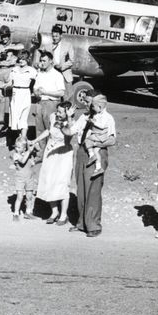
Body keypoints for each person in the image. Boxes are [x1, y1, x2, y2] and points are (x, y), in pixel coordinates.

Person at [70, 93, 116, 237]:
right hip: (82, 152)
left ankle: (94, 225)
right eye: (86, 102)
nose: (87, 105)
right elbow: (71, 131)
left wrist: (94, 143)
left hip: (97, 153)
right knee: (82, 189)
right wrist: (67, 118)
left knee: (93, 190)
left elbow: (112, 140)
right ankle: (82, 223)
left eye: (90, 102)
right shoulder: (83, 116)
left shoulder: (107, 118)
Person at [33, 101, 79, 226]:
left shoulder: (71, 123)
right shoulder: (53, 117)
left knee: (62, 183)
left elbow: (69, 135)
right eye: (57, 111)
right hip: (50, 151)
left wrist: (67, 120)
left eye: (60, 112)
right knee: (48, 181)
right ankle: (54, 212)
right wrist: (36, 140)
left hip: (63, 154)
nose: (57, 113)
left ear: (67, 112)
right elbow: (48, 131)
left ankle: (64, 215)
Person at [32, 50, 66, 145]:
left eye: (44, 61)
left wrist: (45, 92)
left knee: (50, 129)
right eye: (41, 61)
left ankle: (49, 155)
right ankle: (40, 157)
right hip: (39, 103)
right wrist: (36, 93)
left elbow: (61, 93)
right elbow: (35, 88)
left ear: (51, 61)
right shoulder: (40, 74)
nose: (42, 63)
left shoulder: (57, 75)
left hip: (51, 104)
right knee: (39, 130)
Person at [8, 50, 36, 139]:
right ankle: (18, 138)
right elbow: (10, 82)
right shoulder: (14, 69)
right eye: (20, 59)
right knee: (15, 117)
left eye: (23, 59)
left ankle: (23, 139)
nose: (21, 61)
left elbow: (36, 83)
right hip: (15, 93)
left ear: (28, 59)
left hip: (25, 94)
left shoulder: (32, 70)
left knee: (23, 117)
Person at [11, 133, 38, 221]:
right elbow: (22, 161)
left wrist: (32, 144)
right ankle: (16, 213)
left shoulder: (28, 154)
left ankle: (28, 212)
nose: (16, 149)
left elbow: (38, 150)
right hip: (20, 179)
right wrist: (29, 151)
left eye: (19, 147)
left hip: (29, 178)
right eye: (16, 147)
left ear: (24, 148)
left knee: (29, 196)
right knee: (19, 197)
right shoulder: (16, 155)